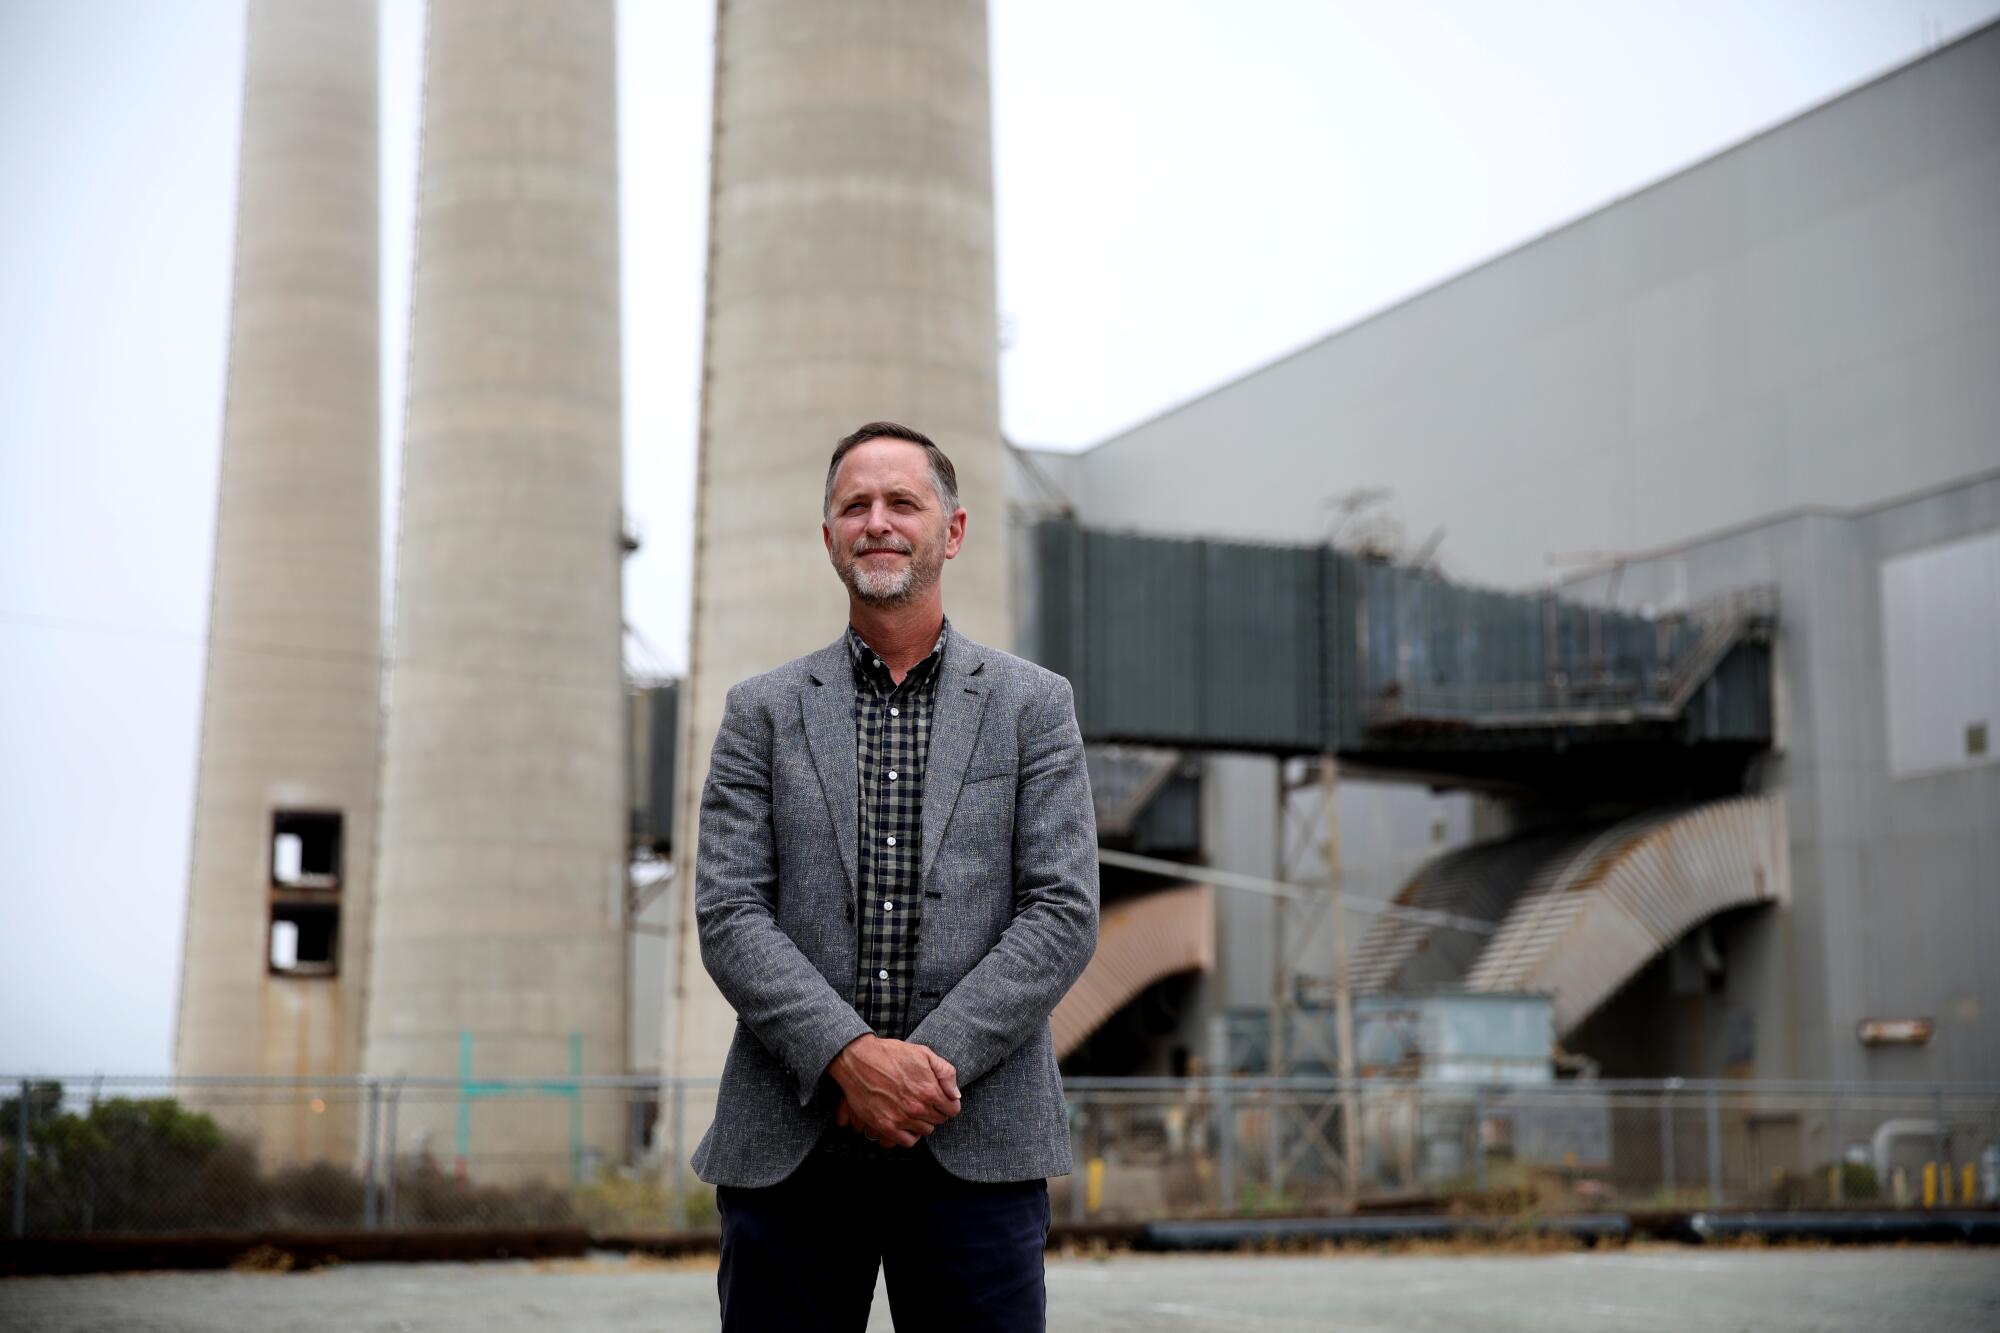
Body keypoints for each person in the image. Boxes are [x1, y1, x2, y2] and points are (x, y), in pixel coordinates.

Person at [691, 421, 1100, 1331]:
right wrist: (847, 1056)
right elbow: (728, 913)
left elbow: (1062, 911)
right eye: (855, 506)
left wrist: (919, 1072)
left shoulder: (1034, 706)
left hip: (977, 1140)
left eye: (902, 502)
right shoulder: (760, 712)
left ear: (950, 529)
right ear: (829, 534)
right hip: (791, 1148)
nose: (878, 522)